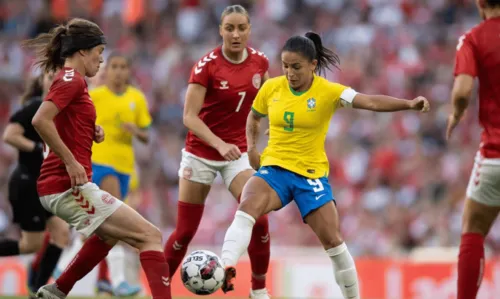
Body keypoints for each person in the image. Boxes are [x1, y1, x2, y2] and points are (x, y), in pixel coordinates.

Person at [219, 32, 430, 299]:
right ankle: (225, 265)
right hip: (275, 170)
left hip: (310, 176)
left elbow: (371, 101)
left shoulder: (329, 92)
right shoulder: (271, 87)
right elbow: (253, 117)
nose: (289, 73)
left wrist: (409, 104)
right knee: (247, 206)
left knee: (333, 242)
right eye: (285, 66)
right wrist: (251, 149)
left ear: (313, 64)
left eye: (296, 67)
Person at [23, 18, 171, 299]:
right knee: (150, 236)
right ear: (82, 51)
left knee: (109, 235)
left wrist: (90, 130)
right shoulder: (70, 79)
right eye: (99, 53)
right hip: (65, 185)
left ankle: (57, 290)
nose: (101, 60)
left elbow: (63, 120)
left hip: (65, 184)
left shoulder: (75, 83)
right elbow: (40, 120)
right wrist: (70, 161)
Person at [163, 5, 272, 298]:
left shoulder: (261, 62)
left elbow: (261, 107)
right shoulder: (206, 66)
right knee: (185, 232)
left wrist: (257, 141)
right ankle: (158, 292)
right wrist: (219, 144)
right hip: (201, 153)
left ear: (249, 29)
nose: (236, 34)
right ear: (220, 30)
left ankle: (259, 291)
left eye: (241, 28)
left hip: (235, 156)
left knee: (259, 218)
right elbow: (189, 116)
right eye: (230, 28)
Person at [445, 1, 500, 298]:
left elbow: (463, 90)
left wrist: (456, 114)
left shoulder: (473, 38)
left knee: (473, 227)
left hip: (495, 155)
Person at [1, 71, 71, 295]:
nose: (53, 81)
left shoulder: (60, 111)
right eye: (49, 77)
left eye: (57, 77)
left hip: (43, 185)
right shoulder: (35, 107)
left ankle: (39, 289)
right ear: (42, 81)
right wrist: (36, 149)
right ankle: (37, 287)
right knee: (30, 245)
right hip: (27, 184)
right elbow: (10, 135)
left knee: (61, 233)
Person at [90, 51, 151, 296]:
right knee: (114, 220)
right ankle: (119, 281)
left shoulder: (136, 98)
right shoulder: (95, 96)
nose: (117, 71)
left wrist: (135, 131)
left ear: (128, 71)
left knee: (103, 229)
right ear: (107, 70)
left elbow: (147, 135)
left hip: (126, 167)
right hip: (99, 163)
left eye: (122, 66)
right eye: (113, 66)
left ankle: (103, 280)